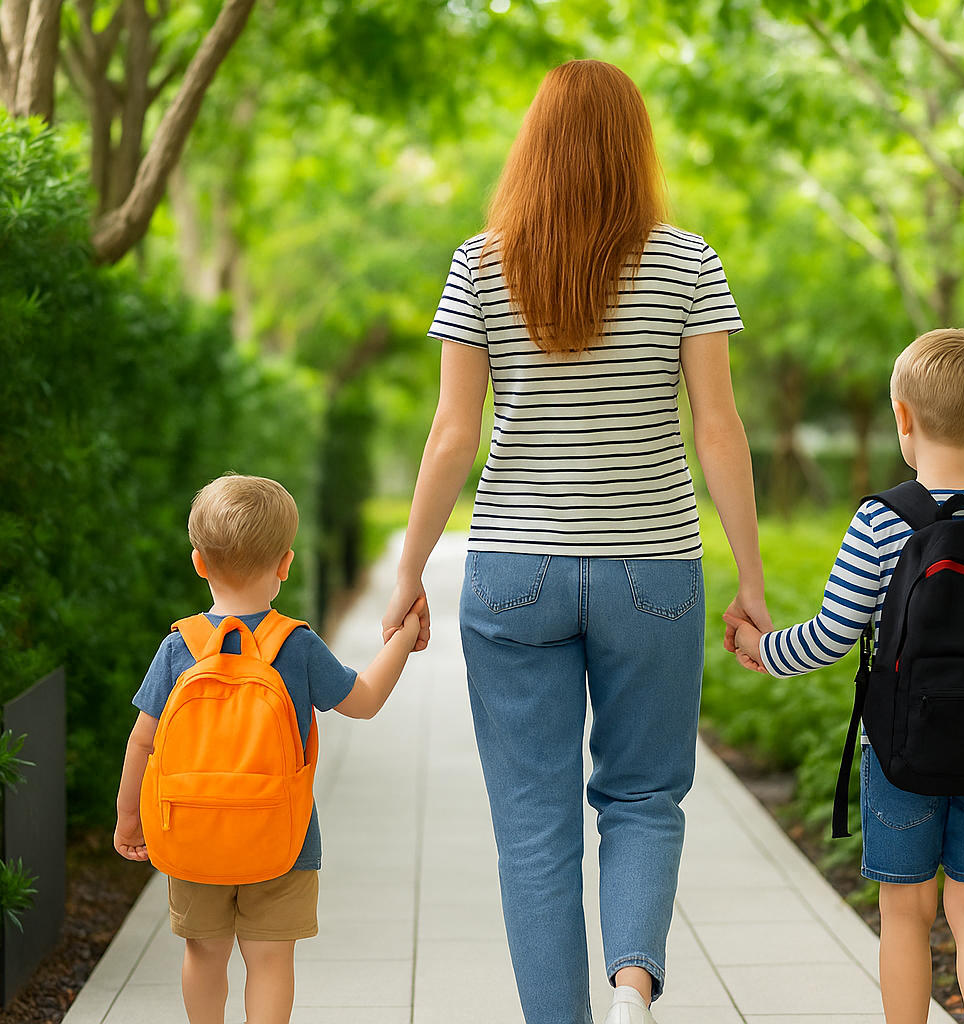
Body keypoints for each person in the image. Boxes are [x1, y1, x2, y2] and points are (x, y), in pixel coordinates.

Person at [381, 60, 771, 1024]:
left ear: (535, 147)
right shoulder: (688, 263)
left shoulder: (483, 264)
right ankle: (633, 985)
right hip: (654, 570)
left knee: (533, 829)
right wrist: (752, 581)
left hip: (516, 570)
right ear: (636, 148)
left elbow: (451, 436)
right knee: (643, 798)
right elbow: (717, 427)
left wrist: (409, 572)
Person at [726, 329, 964, 1024]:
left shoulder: (881, 521)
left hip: (901, 752)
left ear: (902, 417)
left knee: (906, 911)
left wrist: (763, 648)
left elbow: (832, 635)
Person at [113, 473, 421, 1024]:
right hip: (284, 837)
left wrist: (129, 816)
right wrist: (403, 634)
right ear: (286, 563)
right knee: (271, 959)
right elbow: (365, 700)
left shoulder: (178, 647)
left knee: (203, 952)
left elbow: (142, 740)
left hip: (193, 833)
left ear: (198, 562)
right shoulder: (296, 645)